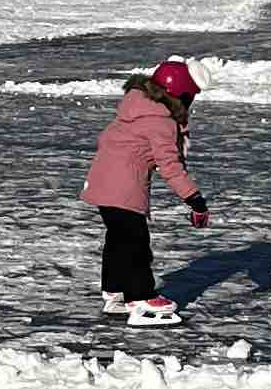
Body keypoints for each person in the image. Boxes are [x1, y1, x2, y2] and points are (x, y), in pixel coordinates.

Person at [82, 56, 210, 321]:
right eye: (190, 96)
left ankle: (115, 292)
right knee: (135, 243)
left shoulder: (137, 107)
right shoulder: (160, 121)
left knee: (118, 240)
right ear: (180, 93)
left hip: (102, 183)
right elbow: (170, 165)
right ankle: (141, 297)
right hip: (124, 188)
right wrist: (194, 199)